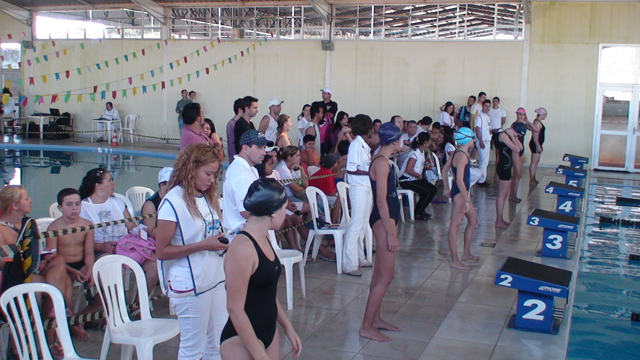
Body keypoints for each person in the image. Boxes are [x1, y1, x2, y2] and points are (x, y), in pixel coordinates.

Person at [155, 144, 228, 360]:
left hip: (213, 278)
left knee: (218, 342)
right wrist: (204, 245)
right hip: (189, 282)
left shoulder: (206, 197)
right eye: (208, 174)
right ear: (190, 169)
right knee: (193, 349)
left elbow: (212, 232)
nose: (212, 180)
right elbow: (162, 251)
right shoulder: (173, 202)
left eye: (214, 175)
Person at [220, 178, 302, 360]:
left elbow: (267, 292)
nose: (285, 213)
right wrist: (259, 355)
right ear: (273, 211)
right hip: (241, 340)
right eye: (284, 208)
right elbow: (235, 308)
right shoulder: (242, 249)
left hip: (268, 331)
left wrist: (288, 327)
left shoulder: (264, 238)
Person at [0, 186, 77, 355]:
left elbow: (31, 255)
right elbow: (2, 264)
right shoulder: (1, 230)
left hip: (29, 272)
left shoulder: (28, 224)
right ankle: (47, 333)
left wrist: (40, 260)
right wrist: (22, 260)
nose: (31, 200)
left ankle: (48, 330)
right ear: (14, 205)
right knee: (42, 284)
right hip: (9, 281)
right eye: (26, 198)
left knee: (57, 261)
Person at [78, 168, 158, 293]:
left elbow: (131, 226)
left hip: (126, 248)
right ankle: (116, 308)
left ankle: (139, 305)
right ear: (98, 186)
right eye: (109, 181)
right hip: (101, 251)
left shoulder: (118, 203)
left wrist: (140, 235)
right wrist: (101, 247)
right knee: (114, 267)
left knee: (154, 264)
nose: (113, 183)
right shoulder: (83, 207)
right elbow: (80, 241)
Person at [359, 123, 403, 342]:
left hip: (384, 219)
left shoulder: (380, 159)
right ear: (395, 141)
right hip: (383, 220)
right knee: (386, 275)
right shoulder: (382, 163)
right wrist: (391, 233)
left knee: (379, 274)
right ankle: (366, 326)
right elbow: (381, 201)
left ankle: (375, 319)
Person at [47, 188, 95, 339]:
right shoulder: (54, 228)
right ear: (60, 207)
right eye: (69, 204)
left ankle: (86, 315)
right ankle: (72, 323)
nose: (74, 208)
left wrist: (90, 269)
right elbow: (53, 257)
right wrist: (73, 272)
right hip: (63, 266)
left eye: (77, 204)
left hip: (81, 263)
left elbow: (89, 253)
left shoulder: (87, 225)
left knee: (104, 283)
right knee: (67, 293)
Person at [442, 128, 479, 270]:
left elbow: (445, 170)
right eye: (473, 138)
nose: (474, 141)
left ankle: (466, 253)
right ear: (468, 140)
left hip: (461, 193)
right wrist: (467, 200)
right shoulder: (462, 156)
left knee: (473, 220)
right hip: (461, 195)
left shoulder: (458, 152)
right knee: (454, 227)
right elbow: (459, 180)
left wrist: (446, 188)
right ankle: (454, 260)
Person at [343, 114, 375, 276]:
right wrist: (370, 171)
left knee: (363, 223)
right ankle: (349, 264)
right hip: (359, 187)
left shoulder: (364, 145)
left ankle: (360, 257)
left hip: (366, 186)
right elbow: (351, 169)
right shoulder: (356, 145)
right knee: (355, 224)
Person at [223, 130, 266, 237]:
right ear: (245, 148)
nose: (264, 152)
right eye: (259, 147)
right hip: (243, 236)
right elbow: (246, 211)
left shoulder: (249, 169)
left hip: (249, 233)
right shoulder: (241, 173)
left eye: (264, 148)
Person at [399, 132, 437, 221]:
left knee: (433, 189)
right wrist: (419, 176)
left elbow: (417, 166)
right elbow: (408, 170)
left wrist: (426, 167)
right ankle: (418, 213)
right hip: (407, 181)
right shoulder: (414, 153)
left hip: (414, 179)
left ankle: (421, 210)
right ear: (426, 142)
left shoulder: (421, 152)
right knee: (428, 191)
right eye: (430, 140)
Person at [494, 125, 524, 229]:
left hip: (506, 167)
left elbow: (520, 148)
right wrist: (512, 135)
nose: (518, 136)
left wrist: (514, 137)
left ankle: (500, 219)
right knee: (502, 194)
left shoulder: (510, 136)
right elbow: (516, 148)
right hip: (503, 167)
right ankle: (498, 221)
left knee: (504, 194)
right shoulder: (503, 135)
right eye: (517, 134)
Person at [509, 107, 536, 202]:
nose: (521, 116)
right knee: (518, 174)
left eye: (523, 114)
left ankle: (513, 195)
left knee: (518, 175)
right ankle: (512, 195)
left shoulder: (524, 125)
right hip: (515, 150)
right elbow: (511, 138)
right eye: (520, 114)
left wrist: (528, 120)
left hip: (521, 150)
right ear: (517, 114)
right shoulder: (514, 125)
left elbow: (535, 130)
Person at [308, 153, 342, 224]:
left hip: (316, 198)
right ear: (334, 164)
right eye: (337, 162)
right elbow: (331, 193)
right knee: (338, 200)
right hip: (317, 200)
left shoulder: (323, 171)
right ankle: (332, 224)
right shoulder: (328, 174)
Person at [141, 167, 173, 239]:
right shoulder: (150, 205)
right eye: (172, 185)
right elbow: (151, 232)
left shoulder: (177, 200)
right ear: (162, 185)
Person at [474, 99, 492, 187]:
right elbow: (477, 129)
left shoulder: (487, 117)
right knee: (483, 161)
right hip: (482, 141)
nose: (487, 108)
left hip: (487, 140)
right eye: (486, 106)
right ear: (482, 106)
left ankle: (482, 178)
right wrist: (480, 141)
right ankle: (481, 180)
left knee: (485, 161)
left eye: (489, 106)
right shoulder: (479, 116)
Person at [529, 107, 548, 184]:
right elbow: (535, 136)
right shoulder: (537, 123)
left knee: (535, 162)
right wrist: (538, 146)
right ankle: (532, 179)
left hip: (537, 144)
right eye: (545, 114)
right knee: (534, 162)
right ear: (543, 114)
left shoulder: (538, 122)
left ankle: (533, 178)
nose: (546, 116)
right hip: (536, 144)